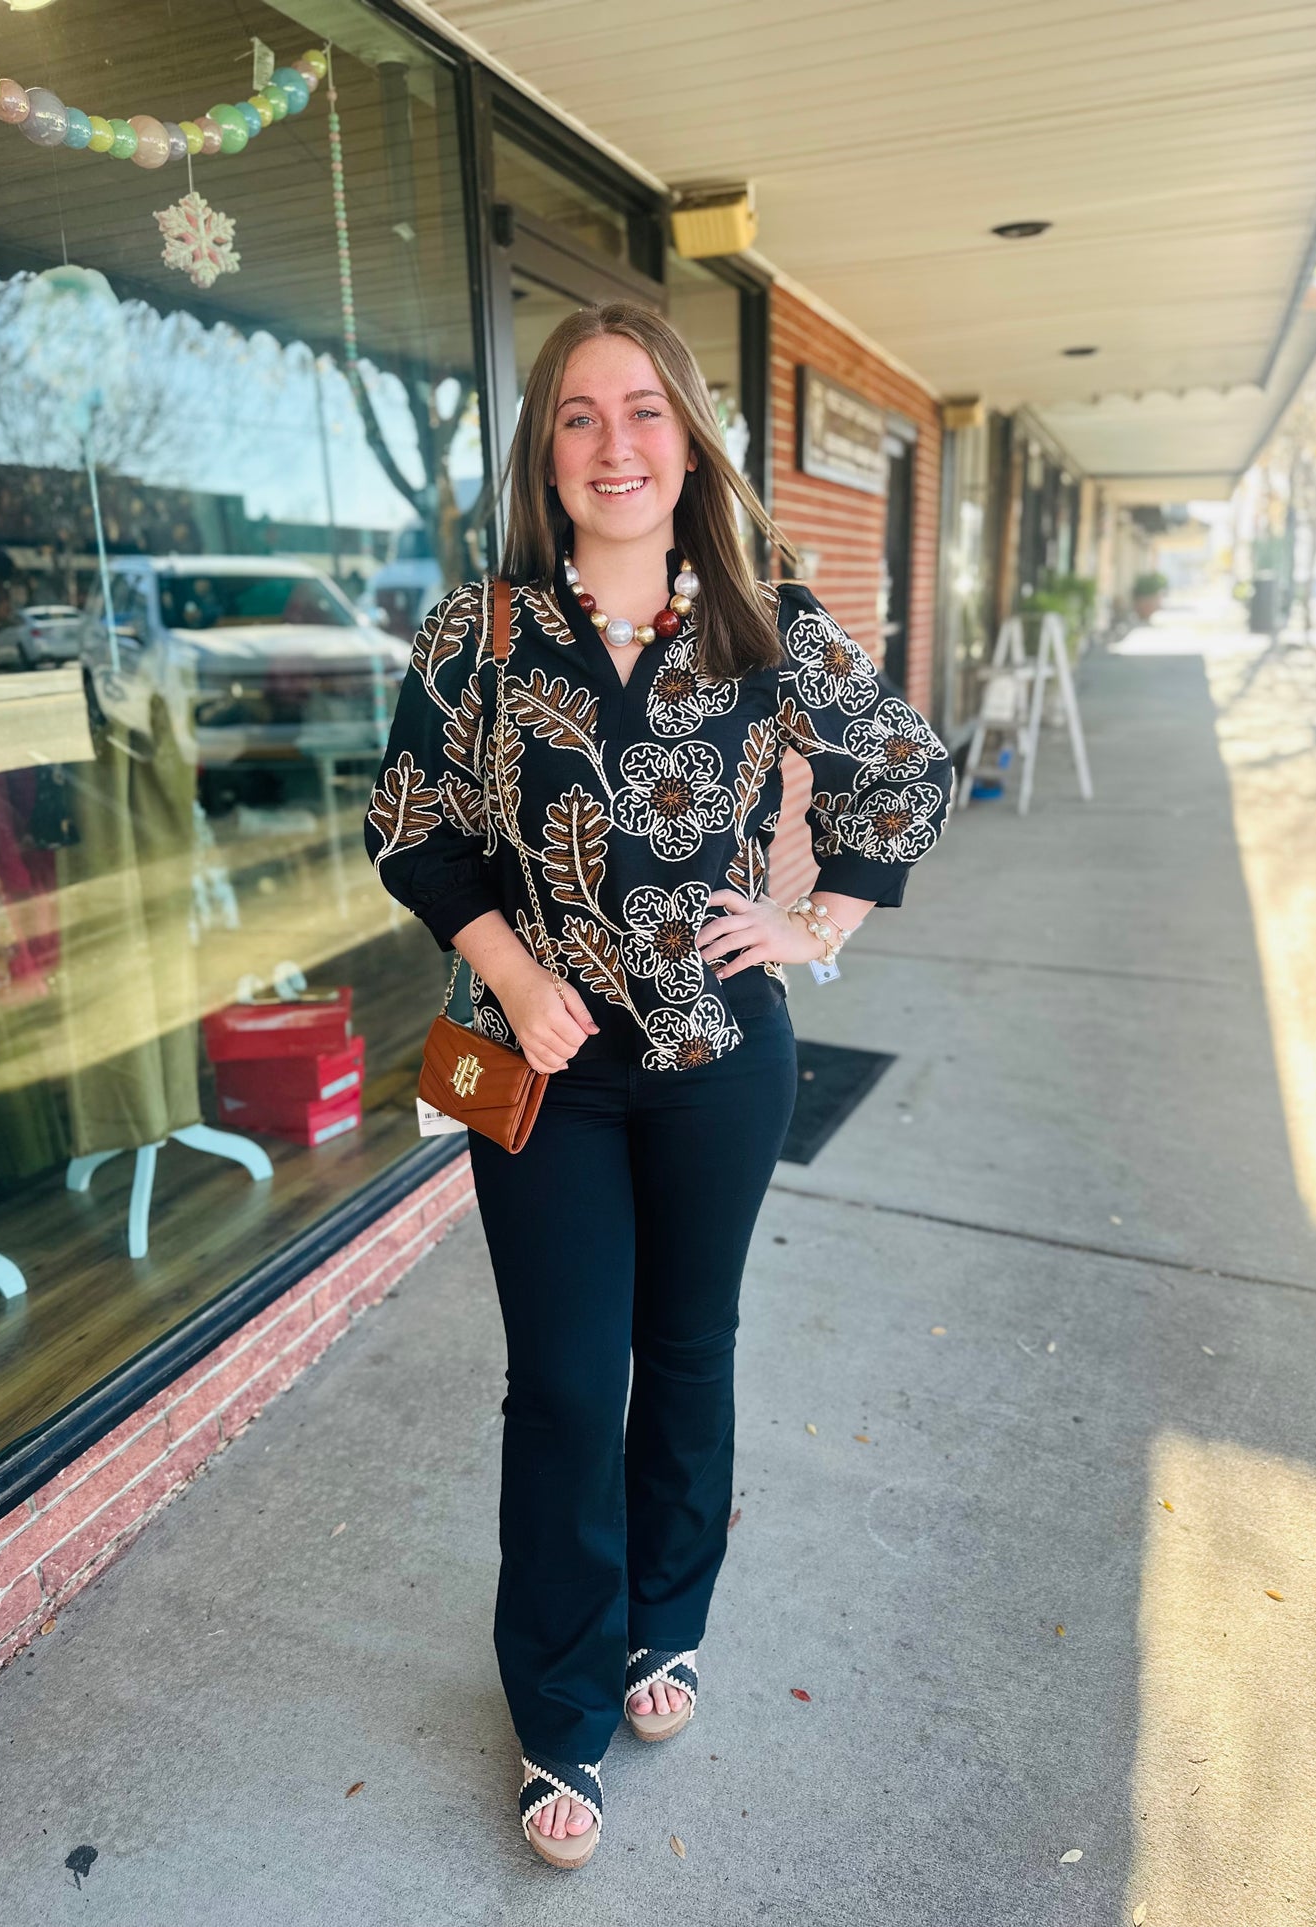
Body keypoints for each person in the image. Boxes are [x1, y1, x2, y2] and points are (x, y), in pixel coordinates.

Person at [363, 302, 951, 1870]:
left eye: (640, 412)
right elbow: (411, 826)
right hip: (541, 1071)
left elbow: (907, 765)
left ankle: (660, 1626)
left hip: (717, 1068)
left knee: (686, 1352)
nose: (612, 445)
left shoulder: (766, 624)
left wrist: (816, 922)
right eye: (576, 416)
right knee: (563, 1383)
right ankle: (560, 1706)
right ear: (544, 451)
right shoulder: (480, 631)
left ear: (686, 438)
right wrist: (514, 970)